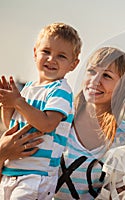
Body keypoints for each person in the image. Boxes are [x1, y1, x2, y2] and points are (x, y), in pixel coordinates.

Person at [0, 22, 82, 199]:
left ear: (73, 64)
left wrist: (18, 102)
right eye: (46, 52)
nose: (51, 59)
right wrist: (7, 106)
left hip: (37, 174)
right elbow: (12, 126)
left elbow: (47, 124)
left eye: (61, 56)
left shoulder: (61, 91)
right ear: (35, 53)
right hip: (10, 170)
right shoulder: (28, 88)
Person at [53, 46, 125, 199]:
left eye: (107, 76)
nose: (95, 80)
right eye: (91, 71)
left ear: (124, 87)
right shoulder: (56, 119)